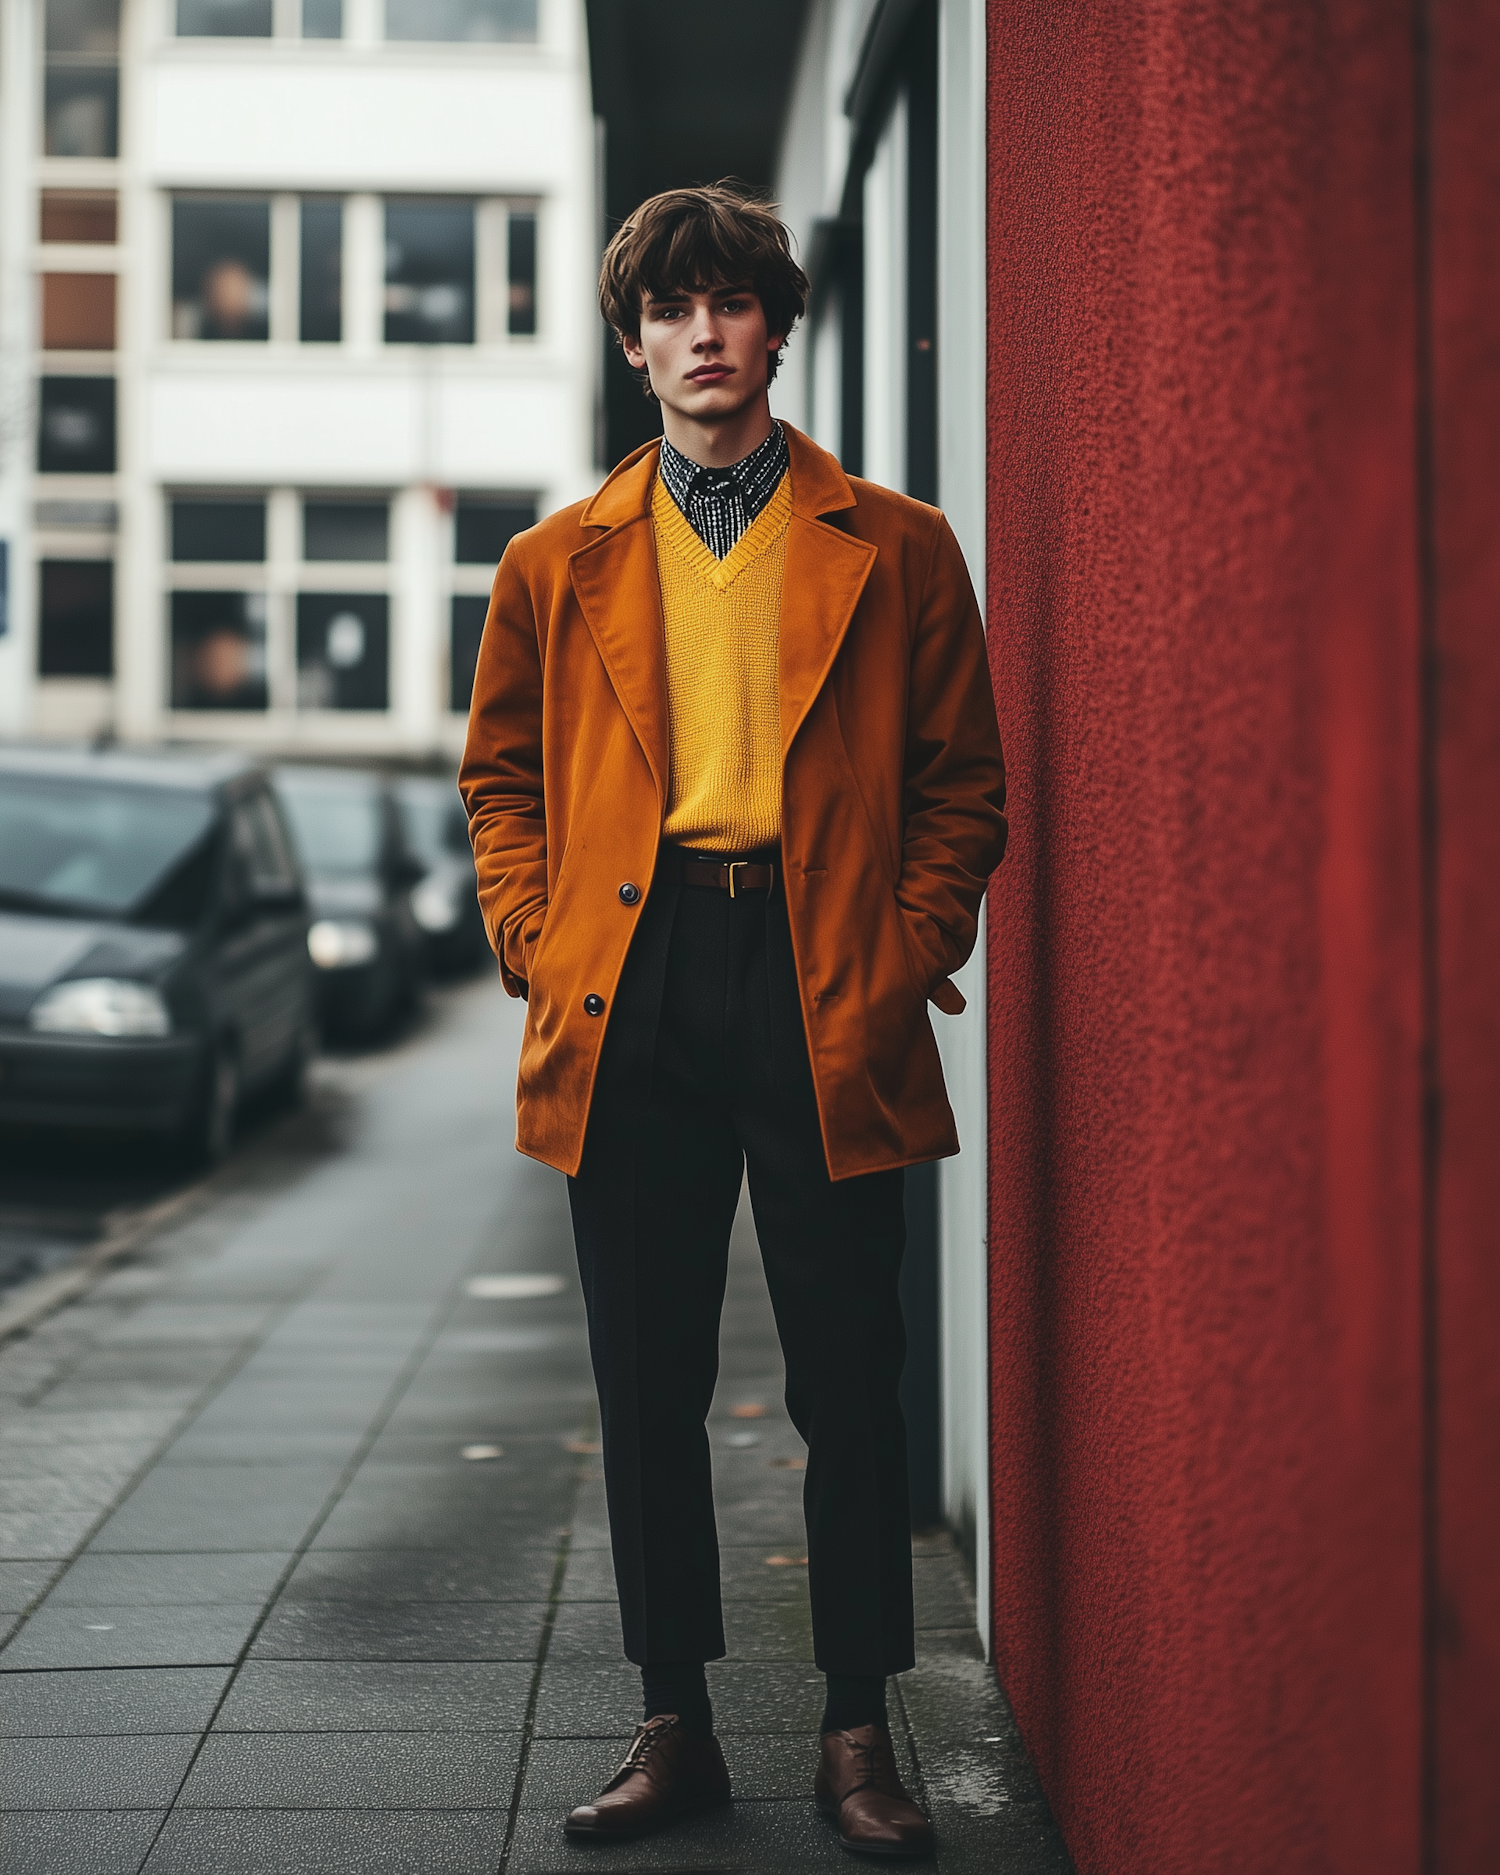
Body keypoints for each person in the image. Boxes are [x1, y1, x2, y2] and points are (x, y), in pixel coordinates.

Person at [459, 183, 1006, 1858]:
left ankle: (859, 1729)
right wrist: (539, 943)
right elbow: (500, 780)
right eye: (674, 311)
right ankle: (673, 1720)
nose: (707, 332)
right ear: (636, 348)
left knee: (853, 1375)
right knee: (647, 1380)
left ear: (775, 326)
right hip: (629, 991)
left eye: (735, 303)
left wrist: (906, 943)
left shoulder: (898, 544)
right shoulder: (557, 563)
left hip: (823, 975)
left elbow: (961, 785)